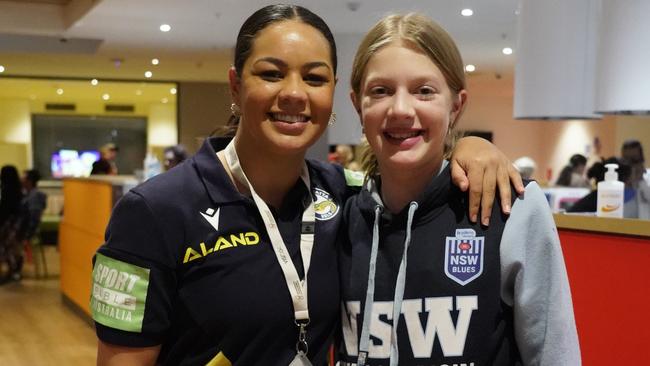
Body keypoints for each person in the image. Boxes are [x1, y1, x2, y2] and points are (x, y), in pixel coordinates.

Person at [92, 5, 523, 365]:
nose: (295, 93)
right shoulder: (153, 211)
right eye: (271, 74)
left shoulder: (343, 194)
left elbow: (406, 177)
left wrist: (468, 146)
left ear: (334, 95)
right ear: (236, 86)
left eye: (314, 79)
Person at [338, 13, 580, 365]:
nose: (401, 109)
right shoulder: (339, 218)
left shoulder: (512, 208)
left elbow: (554, 356)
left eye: (424, 91)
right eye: (381, 90)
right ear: (358, 105)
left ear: (456, 105)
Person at [0, 165, 25, 281]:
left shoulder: (7, 191)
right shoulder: (19, 191)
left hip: (9, 227)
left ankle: (11, 270)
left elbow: (4, 213)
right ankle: (13, 270)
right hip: (16, 227)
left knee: (5, 246)